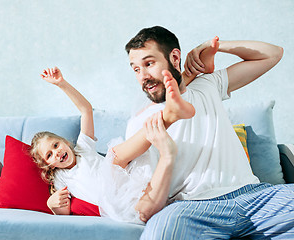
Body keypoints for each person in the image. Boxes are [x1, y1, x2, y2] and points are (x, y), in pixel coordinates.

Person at [124, 26, 293, 239]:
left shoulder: (207, 85)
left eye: (149, 64)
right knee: (162, 230)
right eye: (136, 69)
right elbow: (145, 202)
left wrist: (215, 47)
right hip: (192, 208)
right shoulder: (140, 123)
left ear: (175, 58)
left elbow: (272, 54)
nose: (143, 77)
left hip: (255, 198)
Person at [30, 66, 193, 224]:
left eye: (56, 145)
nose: (56, 152)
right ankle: (172, 108)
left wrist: (61, 83)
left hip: (125, 173)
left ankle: (171, 110)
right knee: (143, 211)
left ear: (65, 142)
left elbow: (86, 110)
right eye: (49, 155)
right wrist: (53, 206)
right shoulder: (60, 179)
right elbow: (65, 214)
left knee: (115, 154)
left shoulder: (82, 148)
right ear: (48, 165)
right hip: (116, 201)